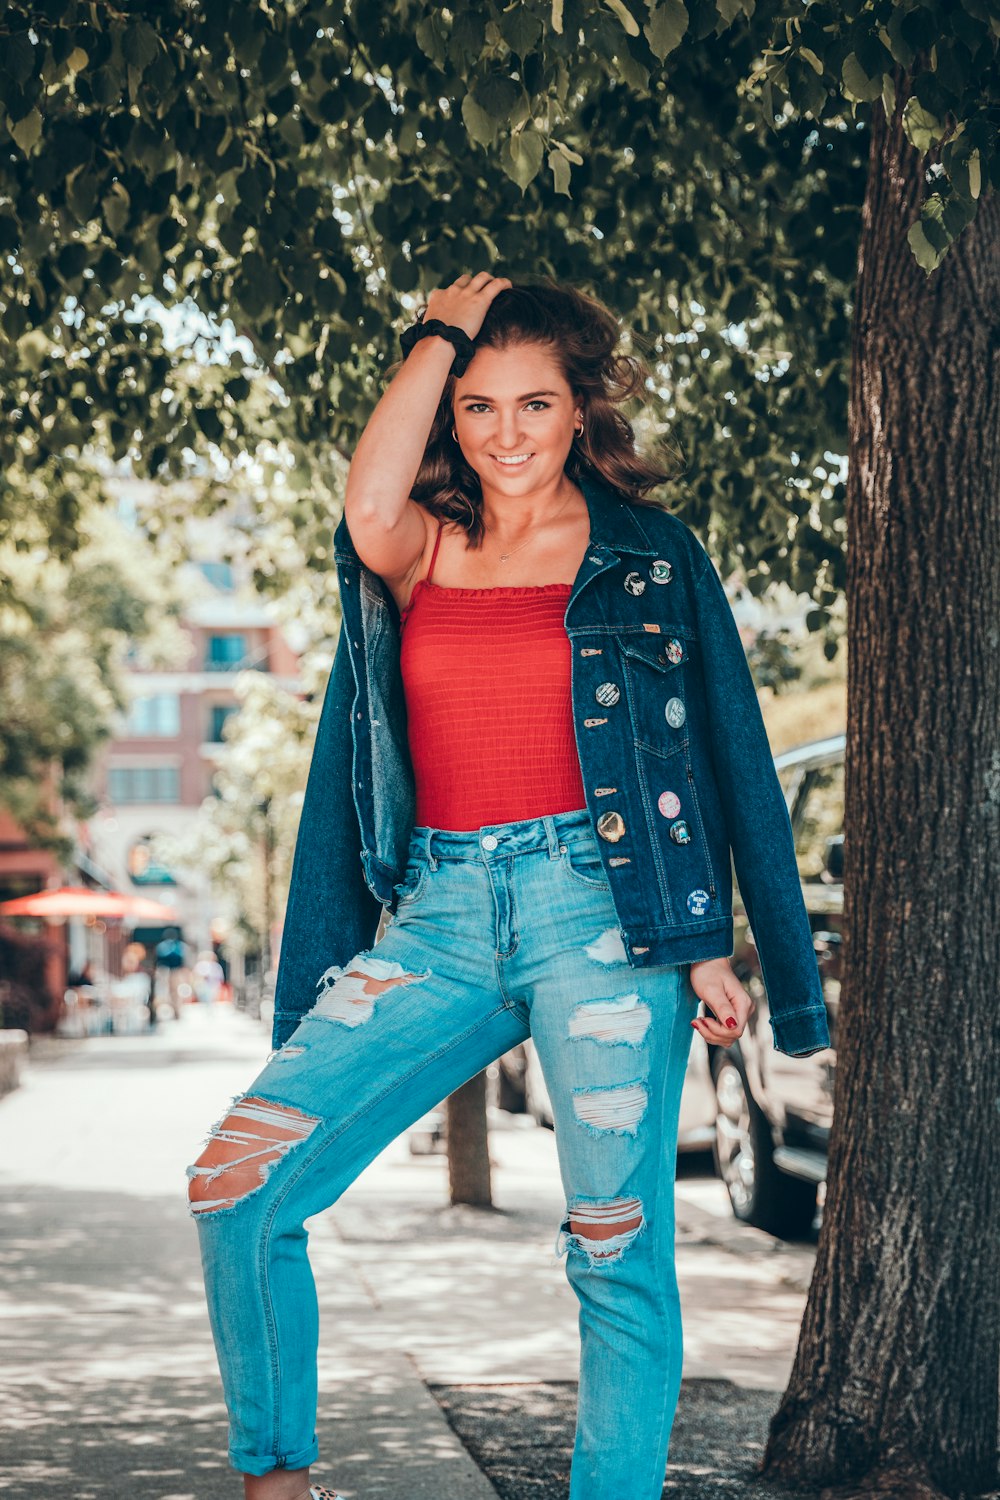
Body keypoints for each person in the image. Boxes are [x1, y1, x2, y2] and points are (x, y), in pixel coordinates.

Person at [187, 273, 831, 1500]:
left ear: (580, 408)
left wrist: (710, 947)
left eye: (535, 403)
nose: (507, 434)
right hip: (433, 919)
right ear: (449, 416)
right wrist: (433, 335)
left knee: (616, 1251)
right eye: (477, 407)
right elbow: (365, 497)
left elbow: (720, 759)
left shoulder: (651, 560)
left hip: (605, 920)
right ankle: (277, 1480)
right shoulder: (422, 547)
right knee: (239, 1182)